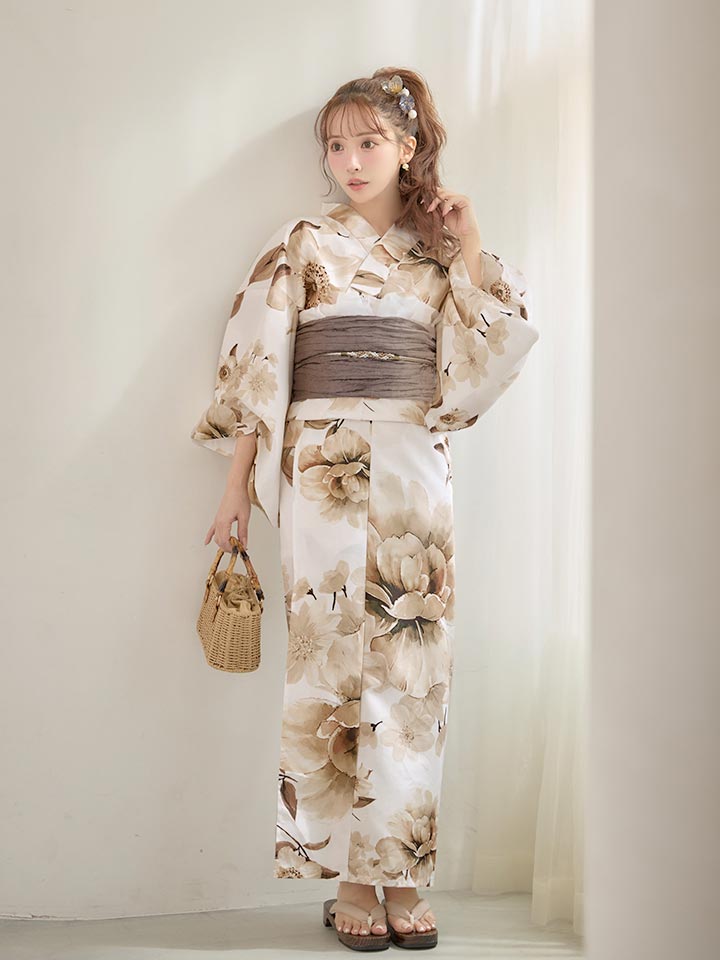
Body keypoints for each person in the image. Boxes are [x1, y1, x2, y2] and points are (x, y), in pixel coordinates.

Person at [190, 67, 539, 952]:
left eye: (369, 142)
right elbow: (258, 367)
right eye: (335, 146)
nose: (349, 160)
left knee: (414, 668)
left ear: (408, 148)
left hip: (416, 463)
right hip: (321, 468)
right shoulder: (303, 243)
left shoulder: (439, 249)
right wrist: (235, 489)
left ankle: (403, 870)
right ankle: (349, 876)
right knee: (329, 663)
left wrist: (468, 244)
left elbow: (492, 343)